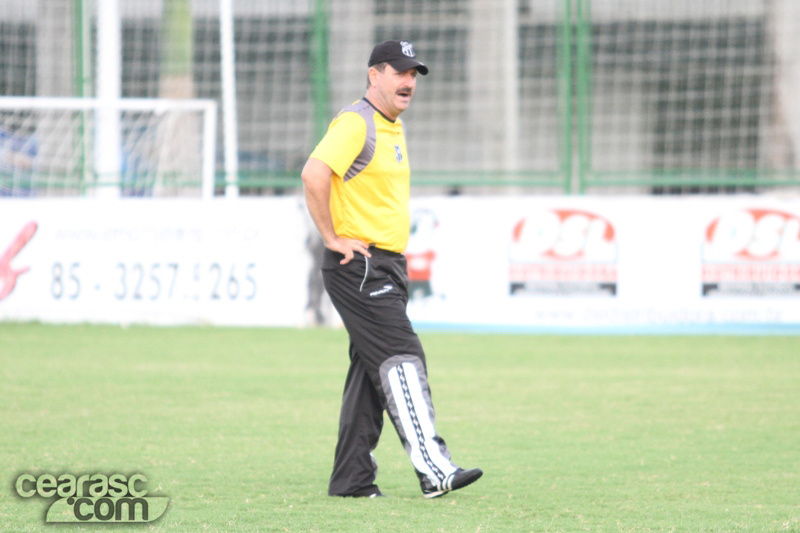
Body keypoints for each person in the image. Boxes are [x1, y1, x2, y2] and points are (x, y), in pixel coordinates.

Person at [301, 40, 482, 499]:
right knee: (402, 356)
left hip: (387, 265)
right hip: (359, 265)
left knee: (370, 374)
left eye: (414, 74)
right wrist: (332, 236)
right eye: (400, 72)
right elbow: (313, 173)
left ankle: (352, 481)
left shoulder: (390, 125)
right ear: (373, 74)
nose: (409, 82)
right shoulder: (356, 122)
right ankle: (434, 468)